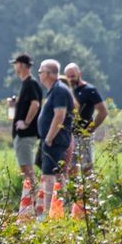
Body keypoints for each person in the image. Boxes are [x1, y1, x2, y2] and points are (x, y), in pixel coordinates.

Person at [35, 60, 74, 213]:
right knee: (56, 174)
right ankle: (59, 208)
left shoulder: (59, 90)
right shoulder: (54, 90)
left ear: (49, 74)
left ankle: (50, 210)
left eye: (41, 71)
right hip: (50, 140)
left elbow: (59, 115)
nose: (39, 74)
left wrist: (49, 137)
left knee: (50, 175)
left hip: (55, 141)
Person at [7, 53, 43, 197]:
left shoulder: (30, 84)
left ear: (21, 65)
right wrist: (15, 106)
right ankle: (32, 200)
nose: (15, 67)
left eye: (15, 64)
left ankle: (34, 202)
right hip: (22, 134)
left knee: (27, 169)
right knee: (25, 168)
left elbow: (35, 104)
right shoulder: (26, 84)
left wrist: (26, 122)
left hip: (26, 134)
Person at [64, 63, 108, 178]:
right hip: (70, 136)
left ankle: (90, 195)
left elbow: (103, 111)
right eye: (68, 76)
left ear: (79, 74)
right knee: (70, 168)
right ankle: (74, 194)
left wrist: (89, 129)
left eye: (73, 76)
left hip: (84, 136)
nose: (70, 79)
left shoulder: (89, 90)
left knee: (87, 168)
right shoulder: (67, 91)